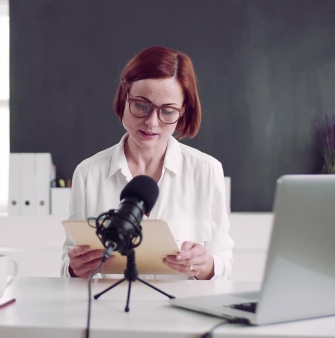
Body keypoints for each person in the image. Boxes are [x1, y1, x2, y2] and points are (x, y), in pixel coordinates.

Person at [60, 46, 233, 280]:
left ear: (183, 112)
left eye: (168, 111)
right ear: (124, 99)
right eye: (142, 105)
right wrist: (74, 268)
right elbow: (68, 262)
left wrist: (207, 265)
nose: (152, 122)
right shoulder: (88, 173)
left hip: (183, 313)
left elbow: (225, 264)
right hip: (110, 311)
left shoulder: (207, 170)